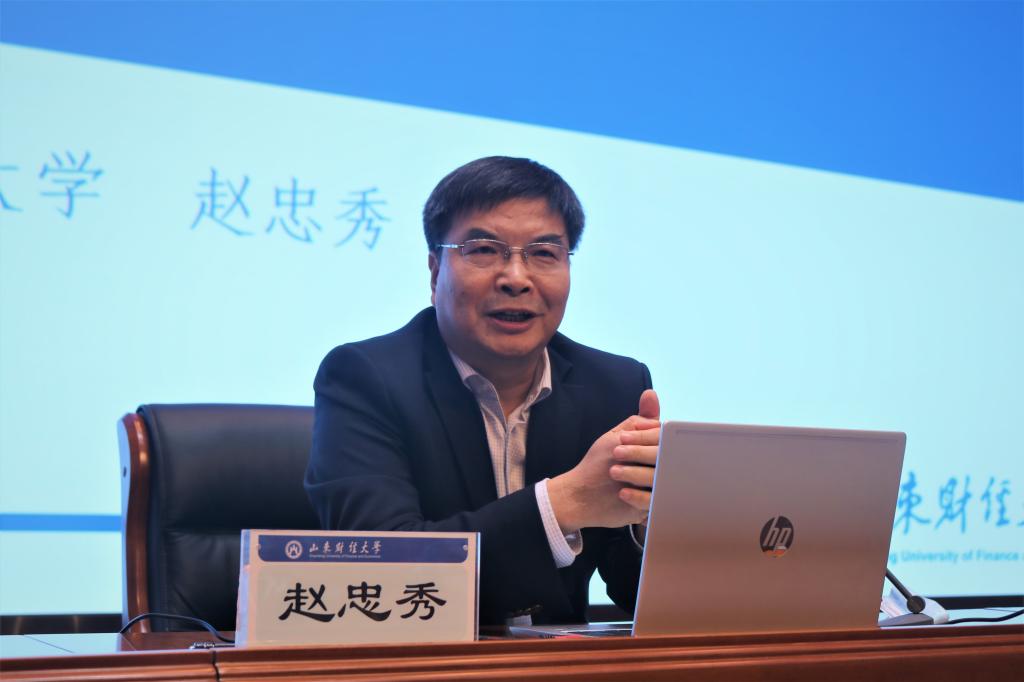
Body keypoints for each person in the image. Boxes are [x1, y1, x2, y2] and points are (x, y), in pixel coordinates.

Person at [305, 156, 661, 625]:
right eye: (484, 250)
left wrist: (647, 525)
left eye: (544, 254)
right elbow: (382, 577)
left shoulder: (614, 384)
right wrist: (564, 502)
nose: (516, 278)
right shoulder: (364, 378)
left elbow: (641, 594)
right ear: (435, 271)